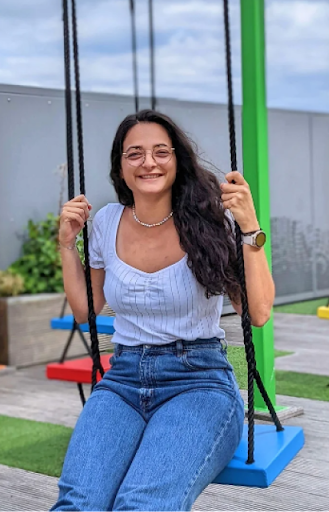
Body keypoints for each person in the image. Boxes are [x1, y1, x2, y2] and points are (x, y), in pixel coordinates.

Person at [50, 109, 275, 512]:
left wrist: (249, 228)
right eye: (134, 153)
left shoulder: (211, 221)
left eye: (160, 151)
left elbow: (257, 312)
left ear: (176, 159)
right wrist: (68, 245)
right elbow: (87, 310)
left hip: (199, 383)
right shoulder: (106, 221)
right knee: (77, 504)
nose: (148, 162)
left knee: (142, 504)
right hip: (122, 381)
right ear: (120, 167)